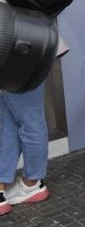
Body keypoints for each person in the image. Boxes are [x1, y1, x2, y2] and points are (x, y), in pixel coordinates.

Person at [0, 84, 50, 216]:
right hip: (29, 67)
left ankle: (31, 183)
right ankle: (5, 186)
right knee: (8, 121)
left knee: (30, 121)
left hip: (14, 68)